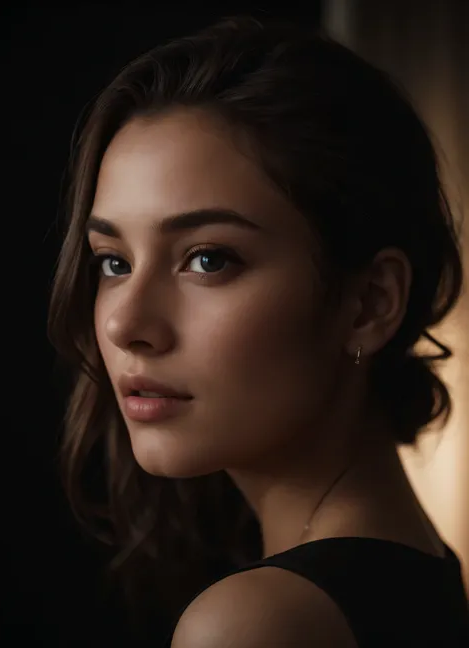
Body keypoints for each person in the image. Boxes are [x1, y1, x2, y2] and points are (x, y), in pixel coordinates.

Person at [47, 14, 469, 648]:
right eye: (114, 262)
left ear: (369, 304)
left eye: (208, 259)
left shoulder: (257, 623)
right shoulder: (420, 570)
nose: (123, 322)